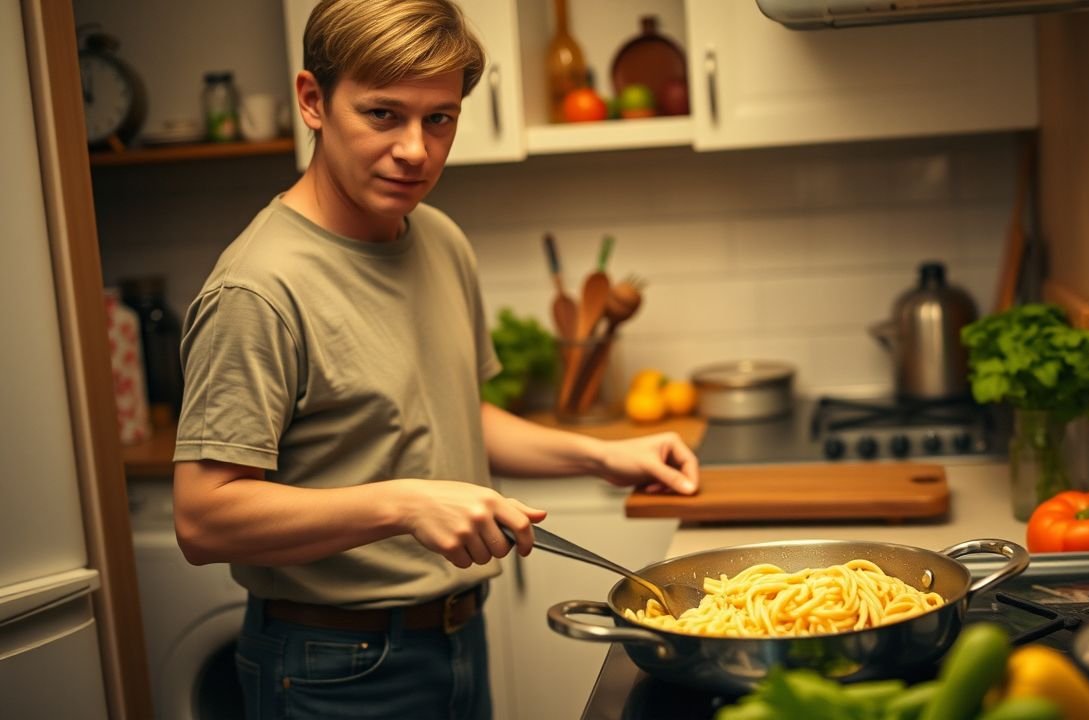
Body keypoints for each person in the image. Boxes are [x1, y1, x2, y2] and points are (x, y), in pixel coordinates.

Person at [170, 1, 700, 718]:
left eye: (439, 119)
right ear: (313, 101)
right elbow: (203, 519)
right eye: (383, 114)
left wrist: (602, 457)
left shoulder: (438, 238)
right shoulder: (259, 288)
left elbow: (453, 412)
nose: (417, 150)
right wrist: (407, 502)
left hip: (453, 638)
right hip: (332, 668)